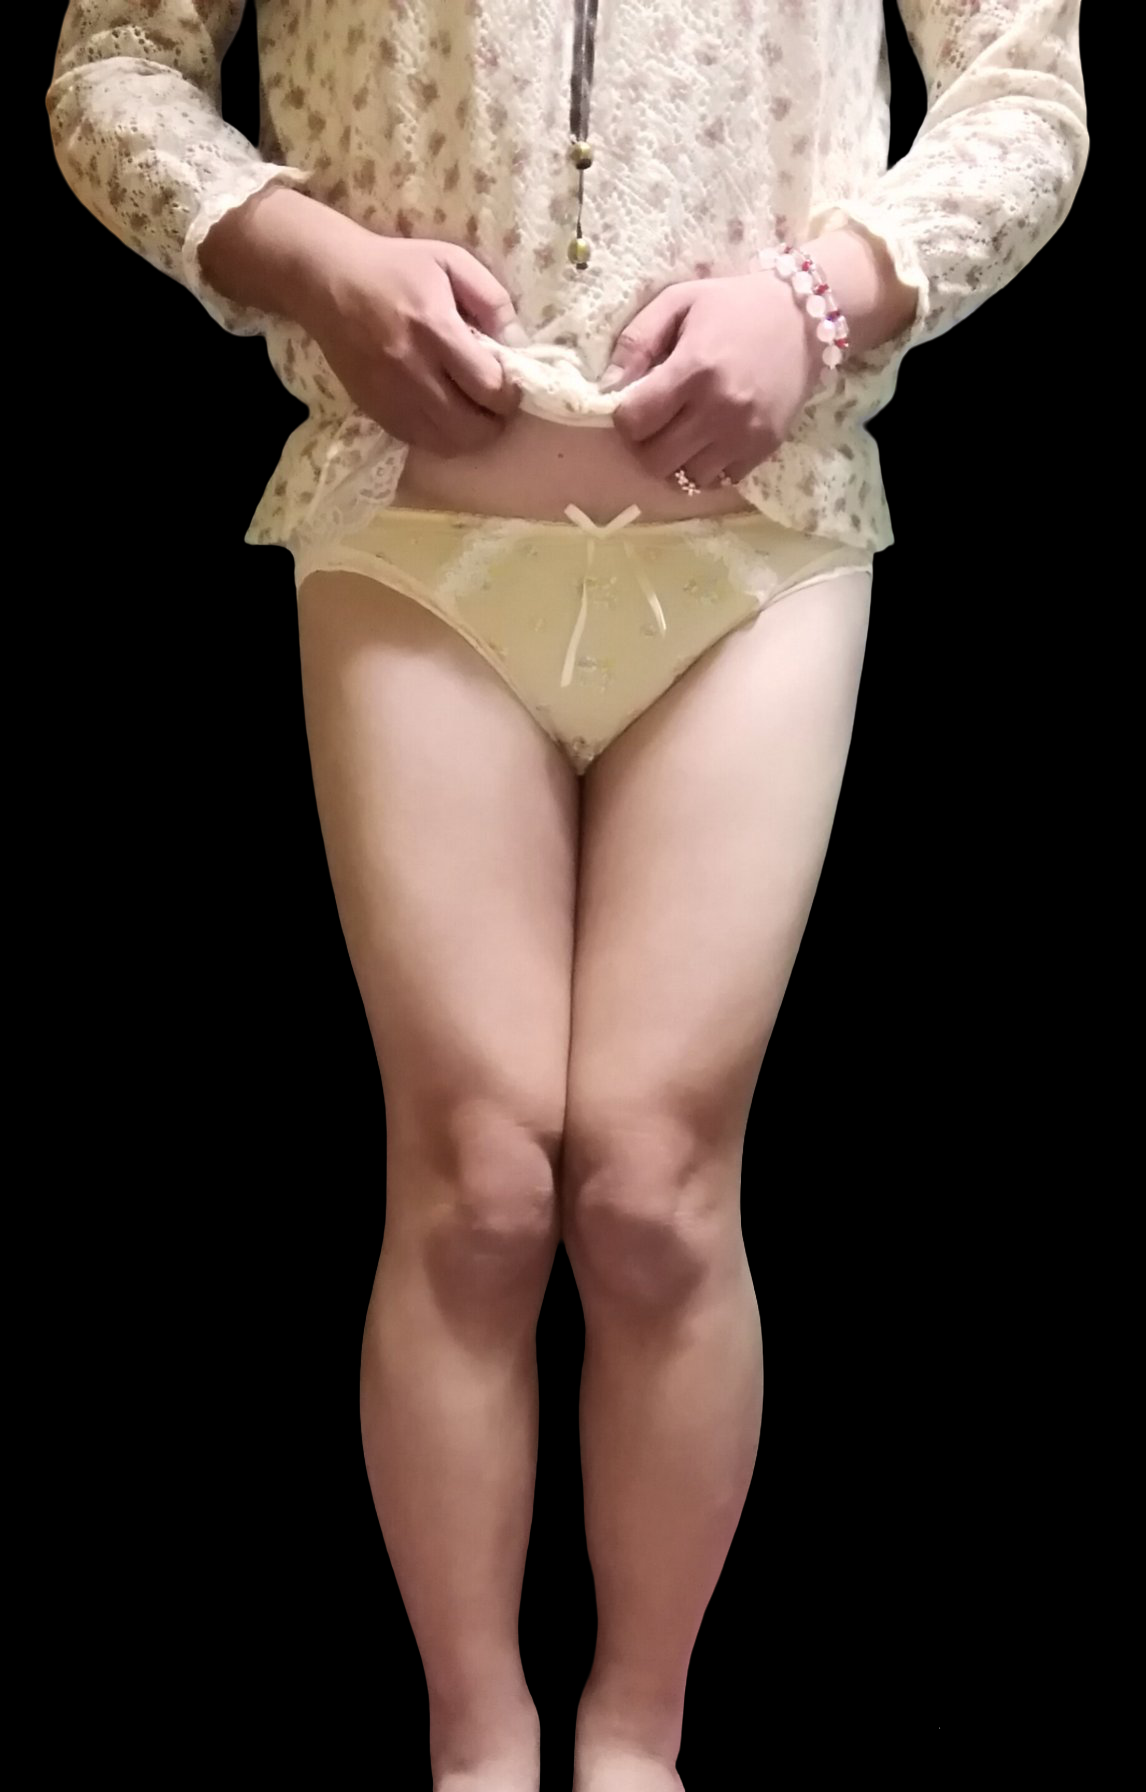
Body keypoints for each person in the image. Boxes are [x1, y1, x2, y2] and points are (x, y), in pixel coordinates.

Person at [46, 4, 1088, 1787]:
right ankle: (472, 1743)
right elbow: (112, 64)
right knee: (475, 1180)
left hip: (757, 542)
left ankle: (633, 1747)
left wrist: (824, 299)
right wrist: (314, 261)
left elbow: (1025, 91)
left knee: (653, 1186)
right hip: (412, 531)